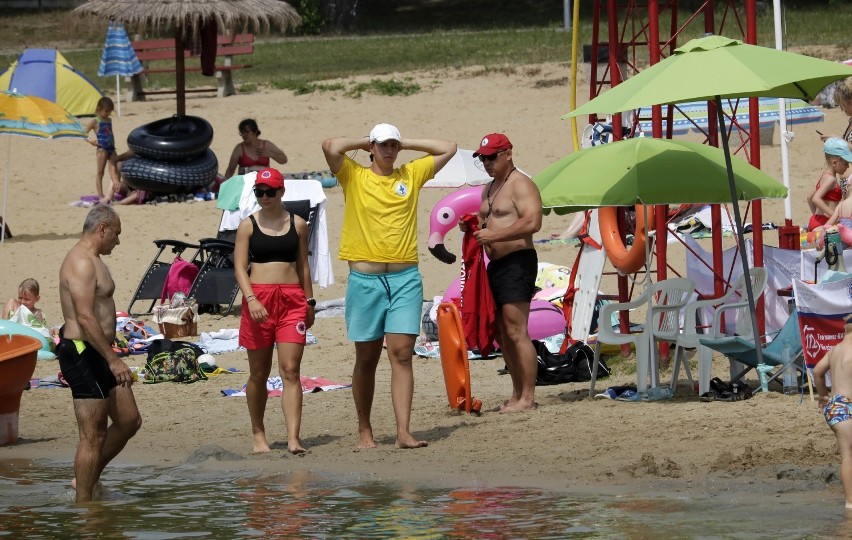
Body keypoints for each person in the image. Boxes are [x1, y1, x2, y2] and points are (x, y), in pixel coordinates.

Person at [322, 123, 456, 448]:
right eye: (382, 145)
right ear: (372, 147)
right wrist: (366, 139)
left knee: (402, 354)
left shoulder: (409, 174)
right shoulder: (354, 175)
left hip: (404, 279)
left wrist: (405, 142)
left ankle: (403, 432)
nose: (388, 150)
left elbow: (448, 147)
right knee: (366, 357)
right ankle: (364, 430)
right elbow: (330, 145)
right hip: (365, 281)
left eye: (392, 145)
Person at [57, 205, 141, 503]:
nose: (117, 241)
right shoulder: (80, 262)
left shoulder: (94, 260)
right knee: (93, 435)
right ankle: (85, 509)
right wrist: (114, 359)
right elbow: (85, 317)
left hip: (101, 352)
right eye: (116, 234)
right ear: (102, 229)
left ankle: (84, 480)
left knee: (129, 420)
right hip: (82, 353)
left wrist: (112, 353)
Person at [234, 167, 314, 454]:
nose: (264, 197)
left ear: (282, 192)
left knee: (291, 370)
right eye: (259, 192)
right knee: (259, 372)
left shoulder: (299, 223)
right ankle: (259, 435)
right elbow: (239, 267)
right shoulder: (247, 225)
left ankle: (293, 438)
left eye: (270, 192)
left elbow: (303, 265)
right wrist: (251, 298)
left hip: (292, 299)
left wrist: (310, 301)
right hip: (259, 300)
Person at [464, 133, 542, 412]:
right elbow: (487, 220)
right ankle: (516, 393)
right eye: (482, 158)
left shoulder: (521, 184)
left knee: (516, 329)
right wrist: (470, 227)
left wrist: (495, 238)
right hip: (495, 265)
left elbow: (533, 222)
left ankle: (528, 397)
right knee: (501, 331)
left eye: (492, 157)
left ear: (508, 153)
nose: (487, 163)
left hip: (518, 260)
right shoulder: (490, 187)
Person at [814, 313, 852, 510]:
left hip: (836, 406)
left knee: (848, 454)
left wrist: (822, 396)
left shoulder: (834, 350)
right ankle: (850, 505)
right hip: (847, 405)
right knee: (850, 456)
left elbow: (817, 371)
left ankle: (850, 504)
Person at [83, 97, 121, 205]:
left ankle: (111, 194)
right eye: (106, 111)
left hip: (111, 148)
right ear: (99, 109)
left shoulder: (109, 120)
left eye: (110, 111)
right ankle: (101, 196)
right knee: (100, 173)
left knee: (116, 168)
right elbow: (83, 134)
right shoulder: (95, 121)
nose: (108, 113)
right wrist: (91, 142)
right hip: (102, 149)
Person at [808, 138, 851, 231]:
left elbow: (809, 197)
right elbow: (816, 198)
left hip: (816, 220)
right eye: (846, 163)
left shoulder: (822, 176)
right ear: (834, 162)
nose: (848, 166)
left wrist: (816, 216)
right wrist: (834, 216)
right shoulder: (831, 179)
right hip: (824, 222)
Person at [223, 119, 289, 179]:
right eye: (242, 133)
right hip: (246, 183)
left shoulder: (266, 145)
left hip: (264, 181)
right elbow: (230, 170)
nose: (243, 135)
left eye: (246, 132)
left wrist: (271, 154)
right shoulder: (239, 149)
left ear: (255, 131)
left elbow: (284, 160)